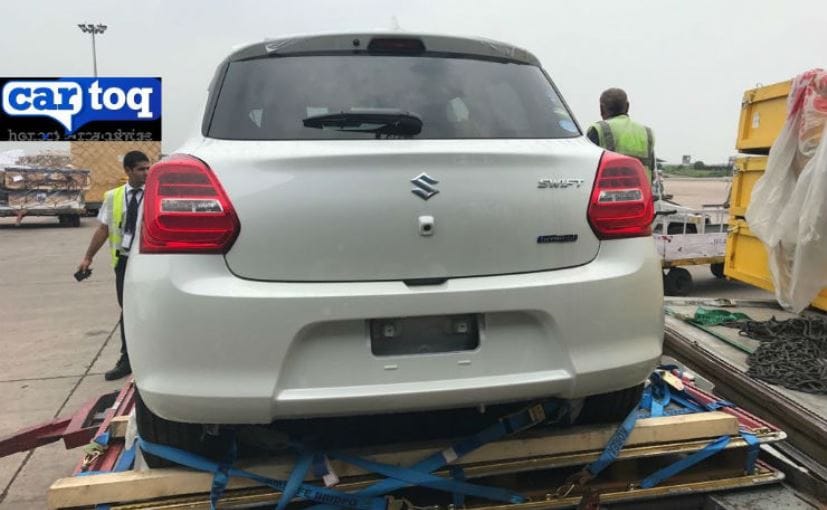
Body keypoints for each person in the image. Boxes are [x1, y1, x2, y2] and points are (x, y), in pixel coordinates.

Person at [77, 151, 150, 380]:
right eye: (141, 169)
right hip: (124, 261)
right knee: (127, 311)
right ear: (128, 170)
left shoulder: (155, 195)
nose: (146, 173)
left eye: (148, 168)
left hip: (150, 261)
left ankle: (151, 358)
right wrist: (88, 257)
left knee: (153, 310)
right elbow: (103, 229)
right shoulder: (113, 196)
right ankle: (127, 360)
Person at [587, 88, 655, 181]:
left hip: (610, 191)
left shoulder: (598, 129)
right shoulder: (647, 132)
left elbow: (588, 167)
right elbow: (652, 170)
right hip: (642, 192)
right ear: (627, 107)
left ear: (602, 108)